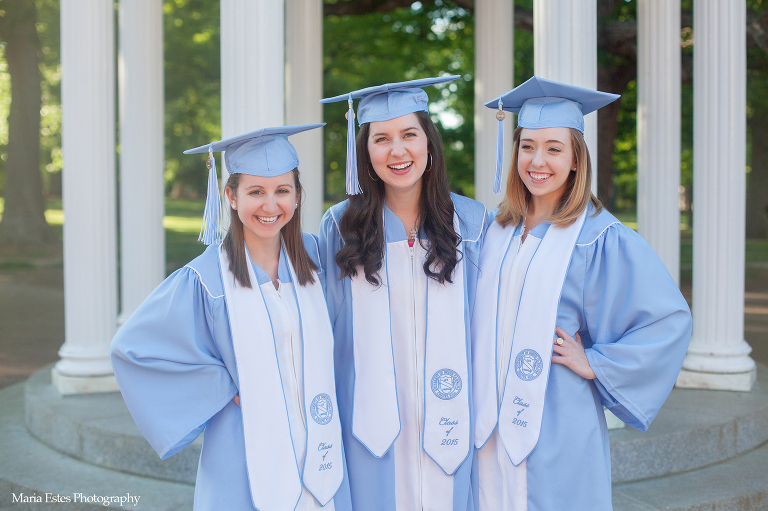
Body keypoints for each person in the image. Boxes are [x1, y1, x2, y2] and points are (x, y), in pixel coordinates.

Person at [471, 76, 692, 510]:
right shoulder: (492, 232)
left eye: (554, 148)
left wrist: (595, 362)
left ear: (576, 160)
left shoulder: (599, 238)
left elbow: (668, 320)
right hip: (486, 420)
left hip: (556, 418)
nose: (538, 160)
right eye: (528, 146)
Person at [111, 124, 352, 511]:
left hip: (320, 444)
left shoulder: (314, 256)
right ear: (231, 196)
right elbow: (132, 349)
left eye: (282, 191)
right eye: (255, 192)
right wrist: (221, 384)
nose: (270, 206)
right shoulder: (205, 279)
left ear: (298, 195)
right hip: (245, 450)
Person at [318, 76, 488, 511]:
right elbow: (312, 320)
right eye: (382, 139)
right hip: (368, 430)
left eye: (409, 135)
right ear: (365, 153)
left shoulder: (470, 223)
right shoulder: (339, 227)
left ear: (429, 145)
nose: (398, 151)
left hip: (453, 423)